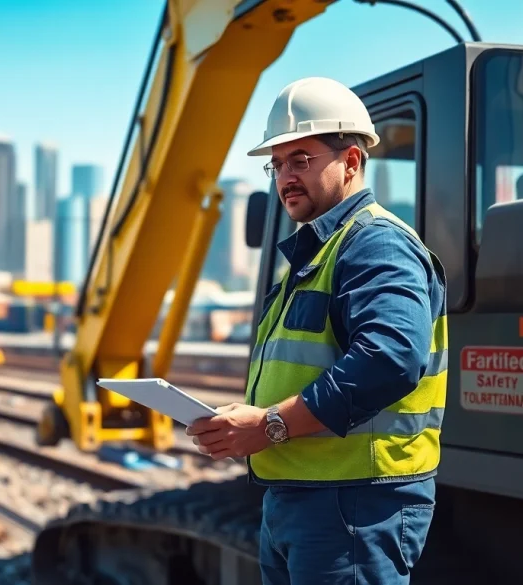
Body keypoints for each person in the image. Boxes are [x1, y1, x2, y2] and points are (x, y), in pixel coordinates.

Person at [186, 76, 448, 585]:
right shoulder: (317, 253)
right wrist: (250, 422)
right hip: (300, 499)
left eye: (300, 159)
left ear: (351, 162)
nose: (285, 177)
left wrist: (267, 426)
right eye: (277, 164)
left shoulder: (375, 245)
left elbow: (390, 359)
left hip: (353, 507)